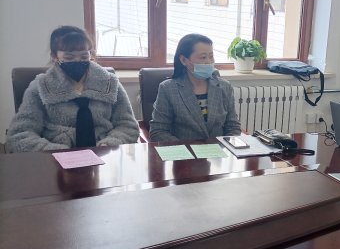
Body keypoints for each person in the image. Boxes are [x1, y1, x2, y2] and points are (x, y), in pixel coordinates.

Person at [6, 26, 139, 153]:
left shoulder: (110, 83)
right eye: (69, 58)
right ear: (54, 56)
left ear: (91, 54)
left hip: (104, 155)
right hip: (56, 159)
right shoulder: (40, 87)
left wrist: (108, 145)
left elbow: (127, 125)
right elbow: (20, 134)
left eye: (84, 57)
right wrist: (56, 152)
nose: (77, 61)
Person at [149, 33, 241, 142]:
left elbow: (233, 127)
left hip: (218, 150)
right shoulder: (168, 89)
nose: (208, 62)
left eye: (211, 56)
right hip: (184, 151)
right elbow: (158, 131)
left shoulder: (224, 87)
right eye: (203, 57)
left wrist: (225, 146)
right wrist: (184, 148)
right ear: (184, 60)